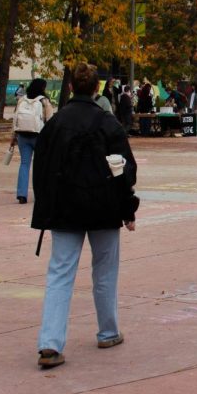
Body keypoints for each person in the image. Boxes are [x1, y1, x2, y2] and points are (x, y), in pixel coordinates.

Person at [31, 62, 138, 369]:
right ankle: (108, 331)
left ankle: (50, 343)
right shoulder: (108, 123)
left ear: (71, 88)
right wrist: (127, 208)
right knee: (105, 271)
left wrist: (47, 209)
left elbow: (42, 170)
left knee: (60, 274)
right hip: (104, 207)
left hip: (65, 209)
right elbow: (124, 170)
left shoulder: (56, 124)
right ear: (95, 89)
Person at [10, 78, 54, 204]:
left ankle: (21, 194)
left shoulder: (21, 100)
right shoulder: (44, 101)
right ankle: (39, 193)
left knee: (24, 164)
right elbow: (50, 121)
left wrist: (13, 137)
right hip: (38, 136)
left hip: (22, 135)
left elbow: (15, 119)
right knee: (39, 166)